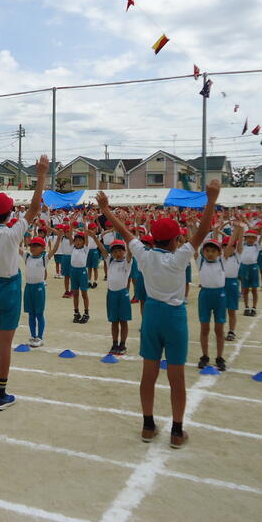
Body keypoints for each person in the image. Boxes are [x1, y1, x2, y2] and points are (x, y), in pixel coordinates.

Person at [96, 180, 220, 449]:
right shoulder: (179, 257)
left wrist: (106, 209)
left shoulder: (145, 255)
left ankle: (148, 426)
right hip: (174, 316)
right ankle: (176, 431)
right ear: (175, 240)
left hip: (151, 314)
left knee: (148, 373)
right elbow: (202, 232)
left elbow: (124, 231)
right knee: (176, 376)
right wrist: (211, 200)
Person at [0, 154, 49, 410]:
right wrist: (41, 175)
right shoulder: (14, 232)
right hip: (10, 288)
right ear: (9, 213)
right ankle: (1, 394)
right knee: (5, 344)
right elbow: (34, 208)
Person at [197, 232, 238, 372]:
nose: (210, 253)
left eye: (213, 251)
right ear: (203, 252)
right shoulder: (200, 261)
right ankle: (205, 356)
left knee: (219, 329)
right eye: (207, 250)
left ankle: (219, 357)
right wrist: (192, 227)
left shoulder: (222, 261)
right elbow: (194, 241)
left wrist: (238, 228)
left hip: (220, 296)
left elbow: (231, 244)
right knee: (204, 328)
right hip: (205, 296)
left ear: (219, 253)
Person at [91, 233, 132, 355]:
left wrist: (128, 238)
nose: (117, 253)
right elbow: (103, 249)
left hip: (122, 294)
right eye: (114, 251)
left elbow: (130, 253)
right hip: (111, 294)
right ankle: (114, 343)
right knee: (114, 321)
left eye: (120, 251)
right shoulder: (110, 261)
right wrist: (95, 238)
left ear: (124, 251)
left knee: (123, 321)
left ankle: (122, 344)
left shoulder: (127, 262)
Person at [22, 232, 61, 347]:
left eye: (36, 246)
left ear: (43, 248)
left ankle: (39, 337)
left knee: (39, 314)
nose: (33, 248)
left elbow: (54, 250)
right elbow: (16, 248)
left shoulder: (44, 258)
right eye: (31, 245)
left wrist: (59, 238)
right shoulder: (27, 257)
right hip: (28, 287)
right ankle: (33, 335)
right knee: (31, 314)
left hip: (39, 287)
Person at [237, 229, 261, 316]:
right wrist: (240, 231)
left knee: (254, 289)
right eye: (248, 237)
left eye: (253, 237)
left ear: (255, 239)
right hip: (244, 267)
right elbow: (239, 241)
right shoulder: (242, 246)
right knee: (245, 289)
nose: (250, 239)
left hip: (253, 267)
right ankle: (246, 307)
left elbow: (261, 236)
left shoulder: (257, 246)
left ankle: (254, 308)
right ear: (245, 238)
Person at [69, 229, 91, 323]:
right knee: (75, 294)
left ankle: (86, 313)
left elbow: (86, 236)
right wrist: (71, 225)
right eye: (76, 240)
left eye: (80, 240)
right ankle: (76, 312)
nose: (78, 242)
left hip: (82, 272)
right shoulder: (72, 248)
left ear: (84, 242)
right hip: (73, 272)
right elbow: (70, 235)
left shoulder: (85, 249)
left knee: (84, 293)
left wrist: (85, 224)